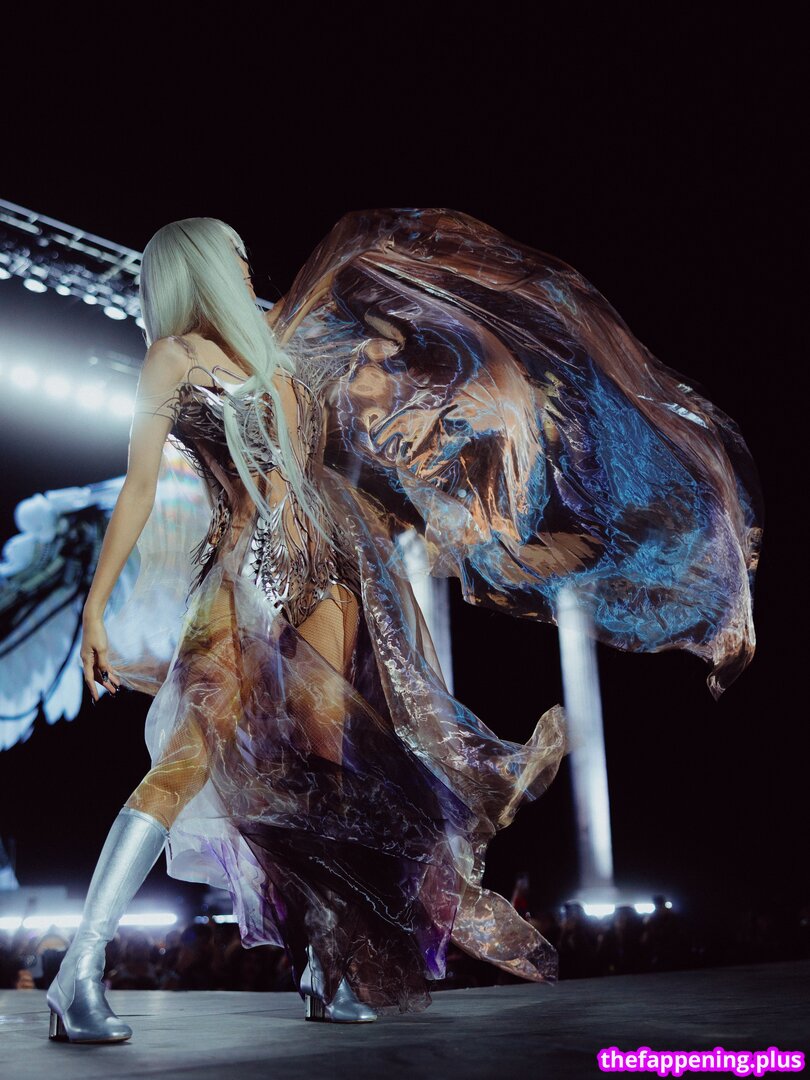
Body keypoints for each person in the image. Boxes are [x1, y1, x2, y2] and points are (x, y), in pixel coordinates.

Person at [29, 209, 758, 1043]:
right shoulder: (174, 357)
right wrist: (95, 607)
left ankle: (326, 964)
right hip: (239, 582)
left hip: (326, 576)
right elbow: (139, 487)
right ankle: (79, 969)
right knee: (189, 759)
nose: (245, 263)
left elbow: (370, 388)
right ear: (195, 266)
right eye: (231, 254)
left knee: (324, 778)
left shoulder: (278, 346)